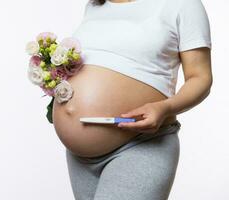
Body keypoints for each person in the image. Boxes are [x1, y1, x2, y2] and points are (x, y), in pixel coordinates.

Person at [64, 0, 213, 199]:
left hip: (140, 144)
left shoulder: (182, 4)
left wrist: (165, 108)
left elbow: (200, 78)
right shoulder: (95, 6)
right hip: (80, 158)